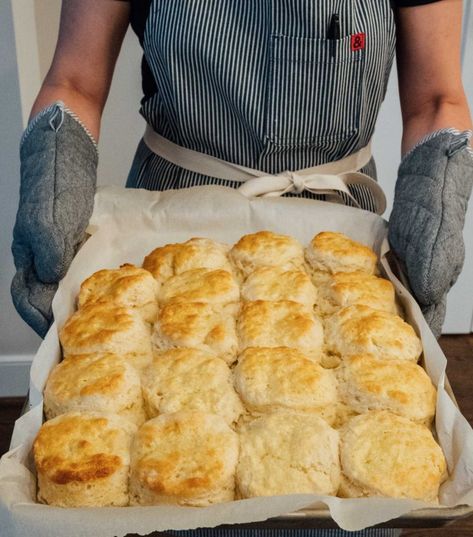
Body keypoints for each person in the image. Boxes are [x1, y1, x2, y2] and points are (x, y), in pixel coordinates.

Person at [9, 1, 473, 534]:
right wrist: (52, 176)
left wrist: (435, 194)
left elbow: (437, 98)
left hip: (337, 238)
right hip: (168, 232)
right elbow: (74, 80)